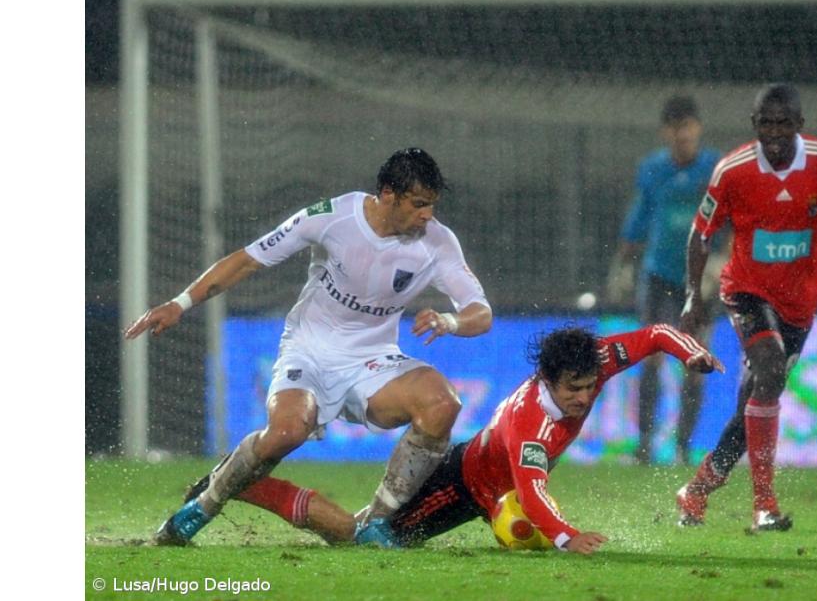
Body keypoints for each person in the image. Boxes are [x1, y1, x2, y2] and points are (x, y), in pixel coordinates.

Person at [124, 147, 493, 545]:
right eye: (419, 204)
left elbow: (480, 311)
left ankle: (378, 521)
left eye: (432, 206)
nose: (427, 215)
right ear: (388, 193)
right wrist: (181, 303)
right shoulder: (333, 217)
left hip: (373, 360)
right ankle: (199, 509)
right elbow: (249, 259)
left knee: (442, 404)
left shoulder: (437, 242)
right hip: (309, 351)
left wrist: (450, 321)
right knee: (286, 432)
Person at [181, 325, 724, 553]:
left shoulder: (597, 360)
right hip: (461, 486)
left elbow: (654, 335)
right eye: (574, 390)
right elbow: (532, 490)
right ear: (550, 381)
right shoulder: (529, 423)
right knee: (359, 537)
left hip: (496, 488)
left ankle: (506, 520)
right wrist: (566, 537)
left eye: (589, 387)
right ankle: (241, 484)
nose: (584, 398)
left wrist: (691, 352)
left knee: (515, 525)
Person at [676, 83, 817, 531]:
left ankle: (696, 491)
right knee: (771, 369)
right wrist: (692, 296)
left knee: (753, 407)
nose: (775, 133)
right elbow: (700, 236)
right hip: (745, 290)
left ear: (800, 125)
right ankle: (765, 505)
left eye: (784, 124)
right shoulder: (733, 170)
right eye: (766, 124)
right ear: (754, 126)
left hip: (799, 304)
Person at [607, 94, 722, 464]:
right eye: (675, 129)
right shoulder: (653, 169)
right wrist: (623, 262)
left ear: (697, 128)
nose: (681, 135)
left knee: (696, 360)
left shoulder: (714, 169)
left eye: (687, 127)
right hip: (659, 274)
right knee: (652, 358)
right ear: (665, 132)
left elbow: (735, 221)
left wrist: (722, 261)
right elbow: (640, 215)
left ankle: (683, 447)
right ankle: (644, 444)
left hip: (700, 278)